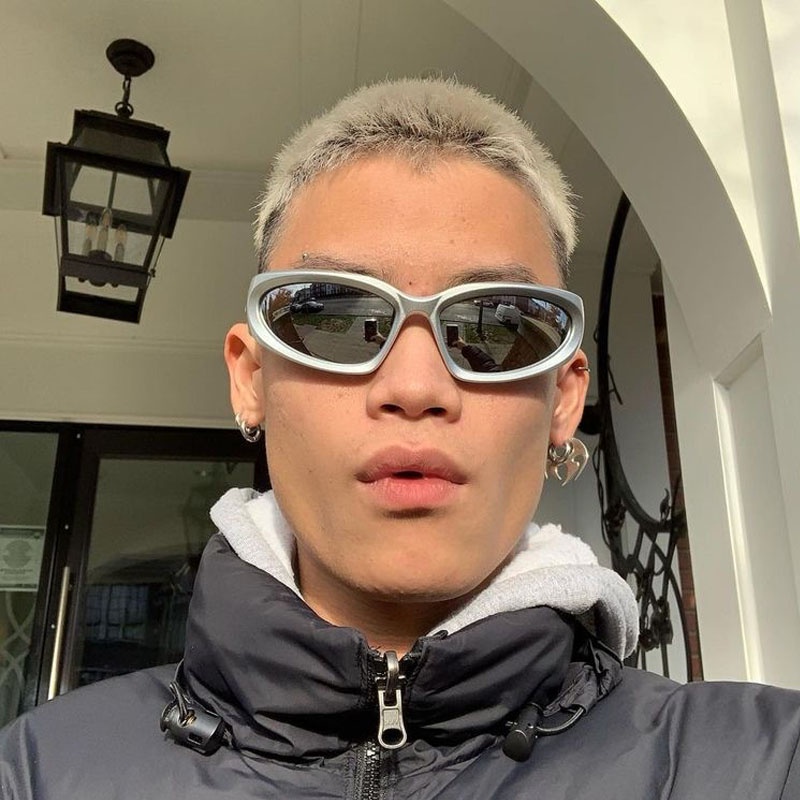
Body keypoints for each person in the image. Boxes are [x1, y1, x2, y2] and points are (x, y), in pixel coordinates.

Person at [2, 78, 799, 799]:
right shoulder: (38, 772)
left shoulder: (759, 765)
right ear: (251, 379)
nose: (415, 387)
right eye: (331, 314)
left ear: (563, 397)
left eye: (497, 325)